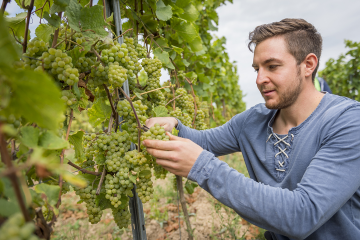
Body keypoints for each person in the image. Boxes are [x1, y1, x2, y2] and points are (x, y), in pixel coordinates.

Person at [143, 18, 360, 240]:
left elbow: (303, 215)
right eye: (257, 68)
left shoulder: (348, 122)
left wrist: (204, 167)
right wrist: (174, 125)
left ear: (308, 65)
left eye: (272, 66)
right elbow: (205, 143)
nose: (259, 79)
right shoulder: (252, 121)